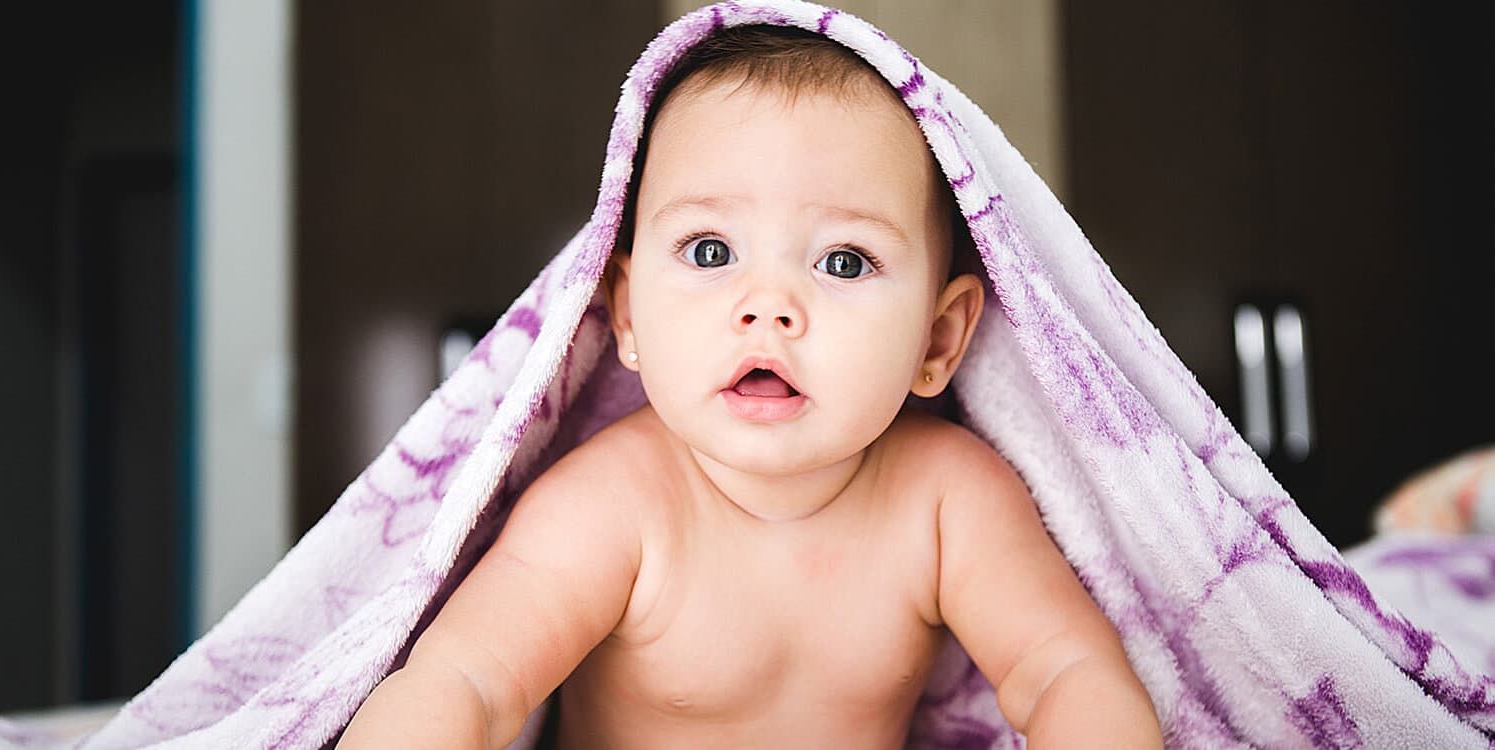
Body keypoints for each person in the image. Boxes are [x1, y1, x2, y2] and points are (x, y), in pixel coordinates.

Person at [338, 23, 1162, 749]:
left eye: (843, 261)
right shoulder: (611, 507)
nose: (768, 307)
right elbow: (465, 687)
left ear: (938, 340)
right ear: (626, 315)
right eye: (709, 251)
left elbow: (1070, 676)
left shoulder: (949, 502)